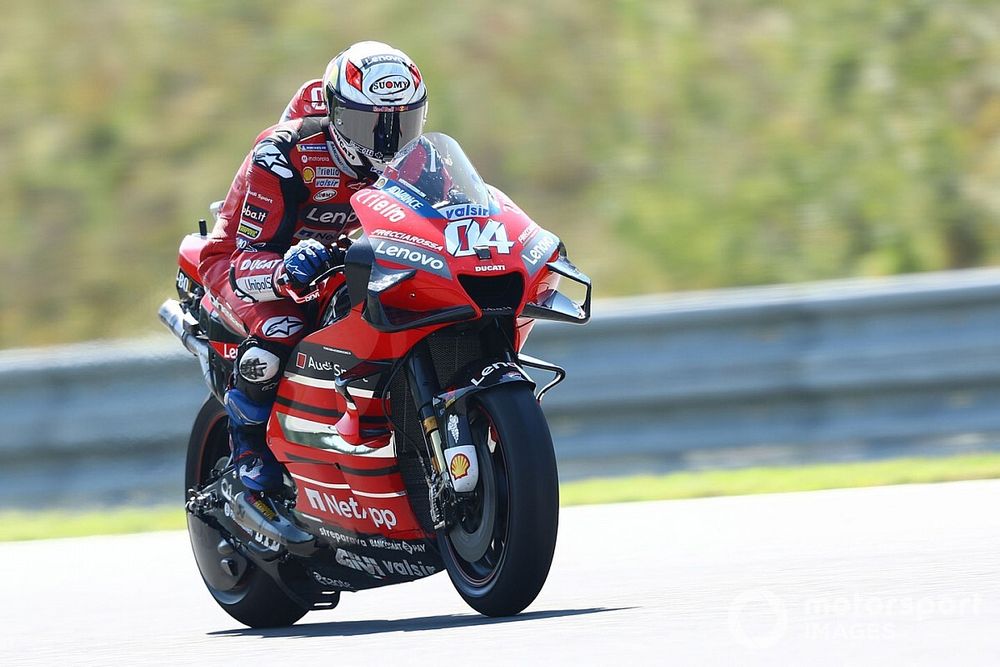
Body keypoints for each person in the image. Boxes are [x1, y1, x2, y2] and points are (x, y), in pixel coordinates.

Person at [198, 41, 428, 521]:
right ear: (338, 115)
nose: (388, 142)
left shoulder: (421, 160)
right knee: (280, 333)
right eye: (373, 125)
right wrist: (284, 269)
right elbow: (243, 251)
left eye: (402, 124)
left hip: (347, 262)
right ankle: (249, 471)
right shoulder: (285, 153)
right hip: (251, 262)